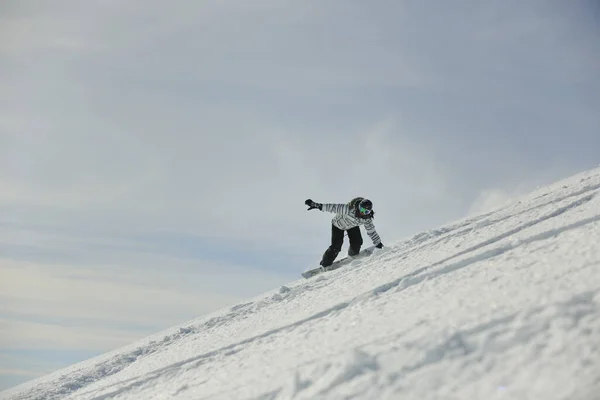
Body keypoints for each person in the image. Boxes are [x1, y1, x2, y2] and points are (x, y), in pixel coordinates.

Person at [305, 197, 384, 267]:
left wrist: (378, 243)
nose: (363, 213)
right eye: (362, 210)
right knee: (336, 247)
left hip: (352, 226)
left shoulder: (367, 219)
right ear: (358, 207)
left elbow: (371, 232)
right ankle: (325, 264)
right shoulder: (348, 209)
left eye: (366, 212)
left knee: (357, 242)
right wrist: (317, 205)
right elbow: (333, 207)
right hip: (338, 225)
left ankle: (352, 255)